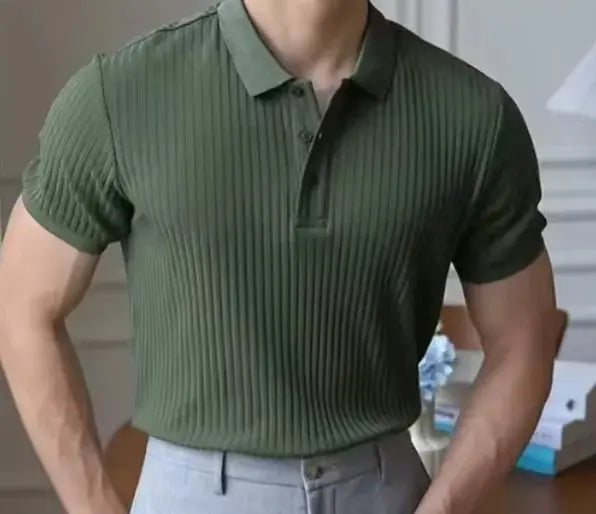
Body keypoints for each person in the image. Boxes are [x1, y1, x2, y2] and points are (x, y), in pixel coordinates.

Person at [0, 0, 560, 512]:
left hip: (385, 490)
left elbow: (524, 340)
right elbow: (20, 304)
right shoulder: (121, 94)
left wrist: (444, 507)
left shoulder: (474, 116)